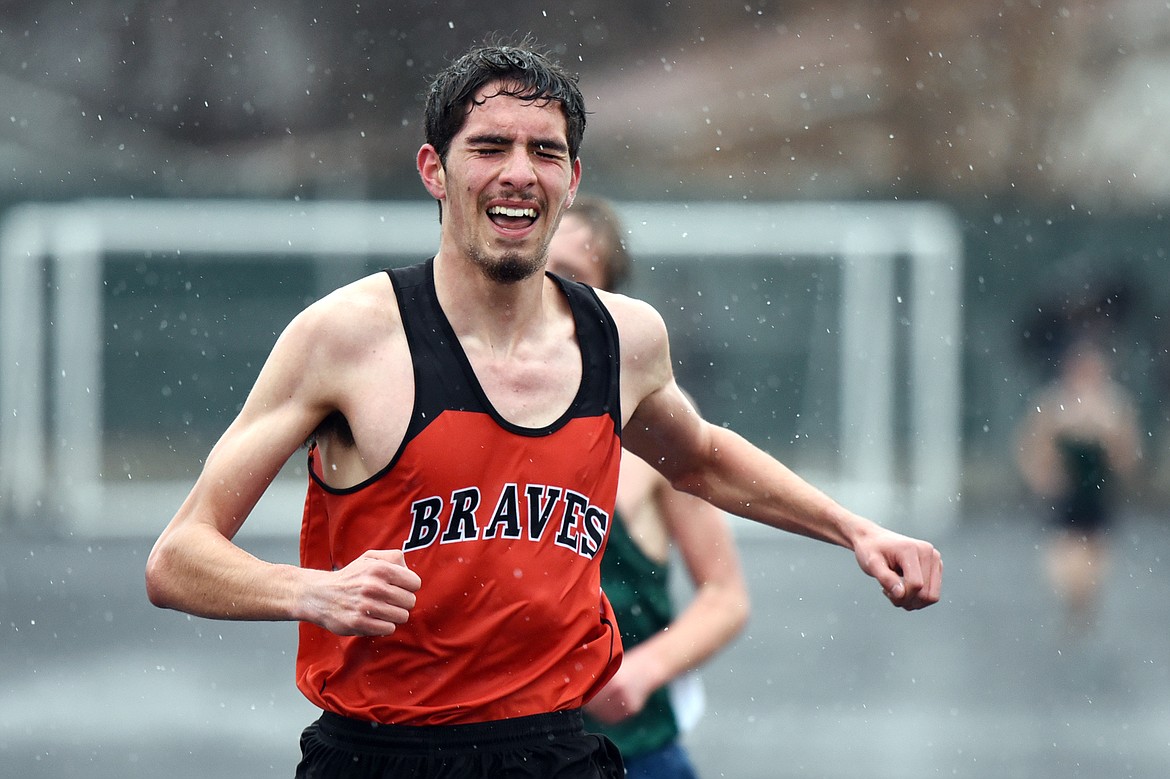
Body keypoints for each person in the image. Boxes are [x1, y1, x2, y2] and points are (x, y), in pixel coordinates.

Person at [145, 36, 943, 779]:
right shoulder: (344, 338)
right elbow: (177, 558)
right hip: (378, 755)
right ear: (434, 169)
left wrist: (857, 528)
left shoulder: (623, 338)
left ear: (573, 179)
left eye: (545, 152)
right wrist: (308, 590)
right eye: (489, 147)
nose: (519, 172)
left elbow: (700, 455)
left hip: (555, 748)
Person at [547, 197, 749, 779]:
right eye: (540, 267)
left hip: (632, 755)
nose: (549, 288)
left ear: (609, 297)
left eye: (575, 276)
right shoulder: (457, 410)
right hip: (492, 750)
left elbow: (726, 597)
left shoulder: (652, 427)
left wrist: (643, 669)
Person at [1017, 336, 1141, 634]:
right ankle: (1072, 605)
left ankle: (1083, 608)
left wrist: (1106, 438)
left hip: (1097, 494)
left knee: (1095, 562)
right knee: (1065, 559)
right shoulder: (1053, 403)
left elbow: (1129, 455)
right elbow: (1032, 445)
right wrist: (1043, 477)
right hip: (1066, 494)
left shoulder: (1115, 405)